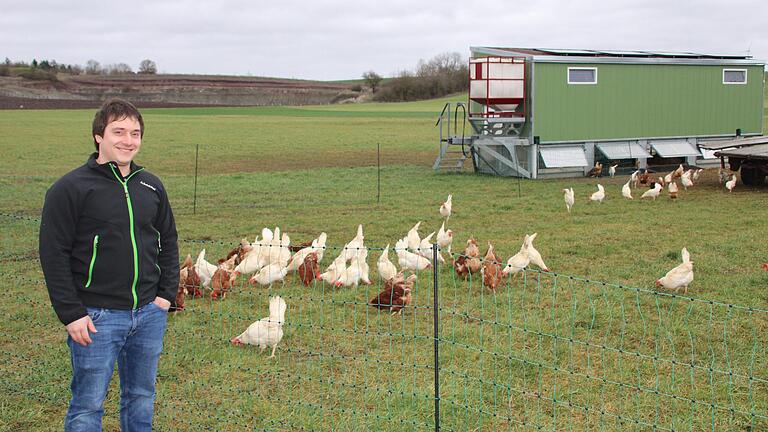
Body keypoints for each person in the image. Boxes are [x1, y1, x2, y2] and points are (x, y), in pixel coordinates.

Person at [39, 98, 179, 431]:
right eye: (119, 131)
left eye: (135, 132)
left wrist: (165, 296)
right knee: (88, 406)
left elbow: (168, 241)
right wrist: (72, 313)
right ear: (98, 135)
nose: (128, 140)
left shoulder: (151, 185)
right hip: (96, 317)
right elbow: (53, 254)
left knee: (141, 396)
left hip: (148, 314)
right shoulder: (70, 188)